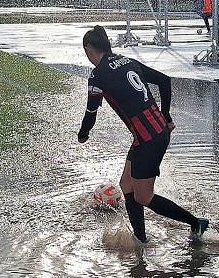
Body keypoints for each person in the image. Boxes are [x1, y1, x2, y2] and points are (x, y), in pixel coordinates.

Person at [78, 25, 208, 244]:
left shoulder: (97, 76)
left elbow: (91, 112)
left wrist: (83, 134)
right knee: (126, 184)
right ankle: (140, 239)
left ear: (89, 48)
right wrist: (165, 116)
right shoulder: (127, 60)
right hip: (152, 133)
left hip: (149, 139)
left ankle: (196, 223)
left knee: (143, 196)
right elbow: (165, 81)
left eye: (86, 52)